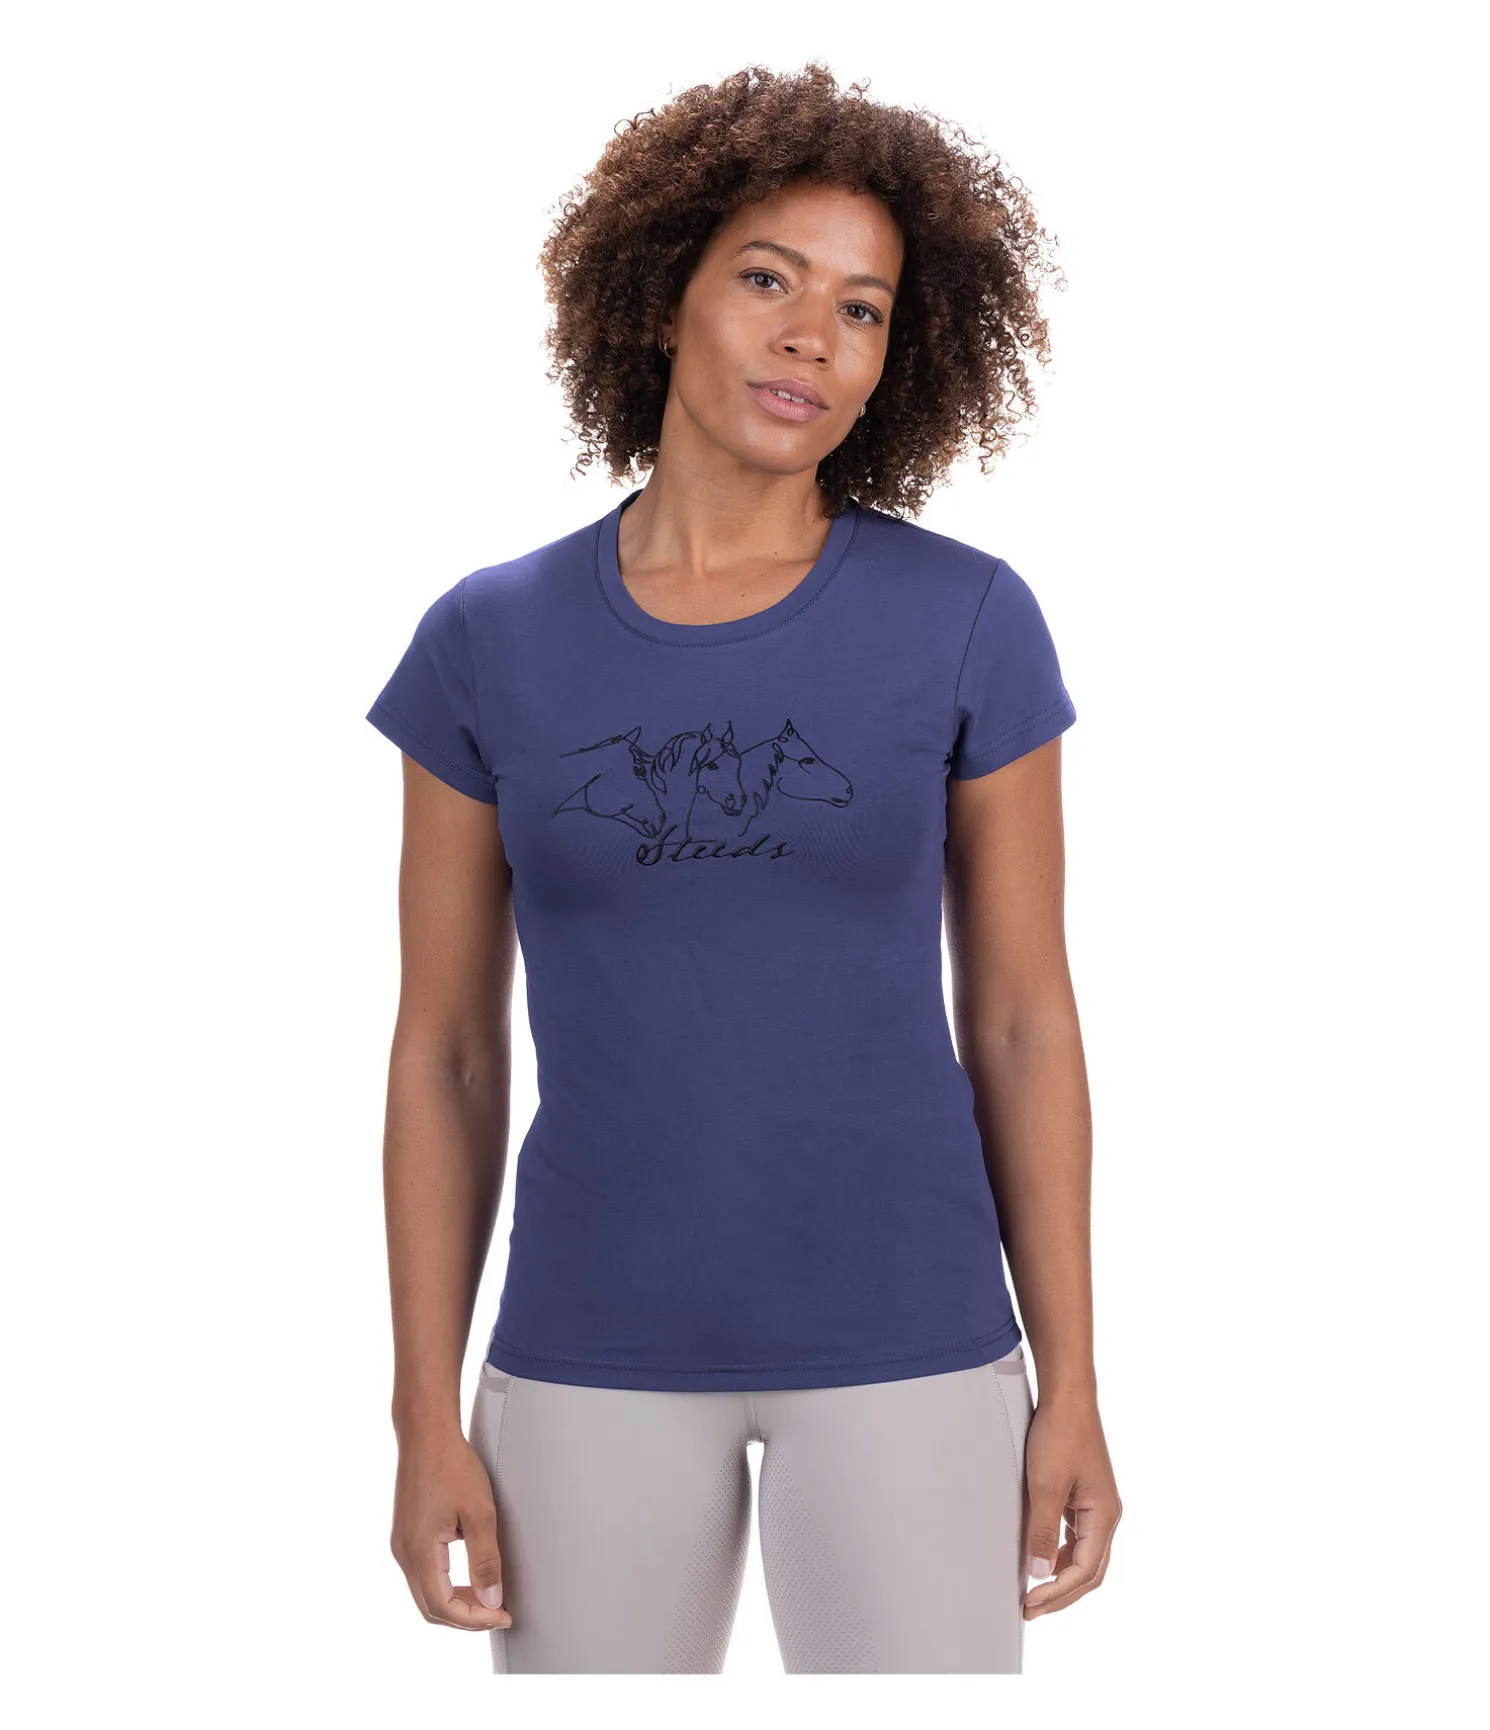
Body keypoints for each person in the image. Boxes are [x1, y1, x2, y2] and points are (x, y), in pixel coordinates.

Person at [365, 62, 1120, 1675]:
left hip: (911, 1344)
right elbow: (443, 1051)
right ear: (661, 298)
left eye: (860, 309)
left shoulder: (967, 618)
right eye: (766, 280)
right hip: (587, 1348)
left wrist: (1071, 1387)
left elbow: (1020, 1021)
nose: (809, 338)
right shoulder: (488, 639)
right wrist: (423, 1411)